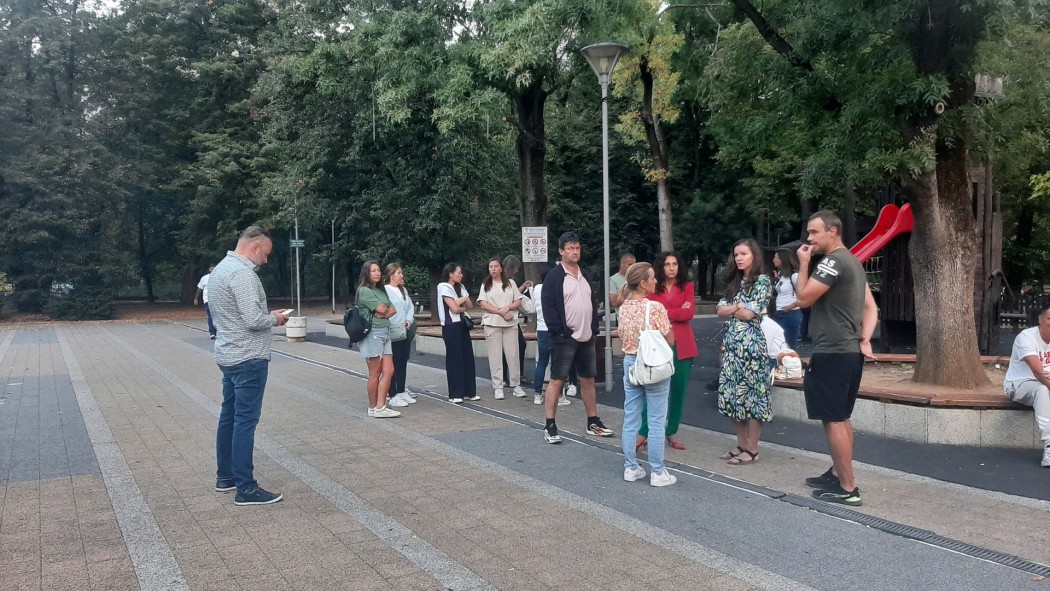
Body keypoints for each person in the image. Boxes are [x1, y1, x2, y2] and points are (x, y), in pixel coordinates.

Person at [795, 210, 878, 507]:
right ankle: (836, 473)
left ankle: (848, 487)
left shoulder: (832, 262)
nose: (809, 239)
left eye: (814, 232)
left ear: (833, 231)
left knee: (833, 420)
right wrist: (864, 337)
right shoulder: (853, 262)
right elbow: (871, 308)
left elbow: (803, 298)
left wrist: (803, 264)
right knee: (841, 417)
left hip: (832, 350)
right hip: (849, 351)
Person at [209, 226, 289, 506]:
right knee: (245, 421)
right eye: (265, 254)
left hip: (229, 354)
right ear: (255, 247)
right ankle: (246, 488)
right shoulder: (243, 274)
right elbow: (254, 320)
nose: (266, 260)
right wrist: (275, 319)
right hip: (249, 358)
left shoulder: (220, 269)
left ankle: (226, 476)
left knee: (229, 417)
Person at [539, 232, 614, 443]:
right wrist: (561, 331)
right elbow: (548, 307)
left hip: (586, 335)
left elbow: (592, 302)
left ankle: (593, 421)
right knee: (557, 380)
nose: (574, 252)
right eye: (570, 248)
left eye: (577, 248)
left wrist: (593, 327)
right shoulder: (554, 277)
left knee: (588, 379)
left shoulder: (585, 274)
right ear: (561, 251)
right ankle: (550, 425)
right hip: (564, 337)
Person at [618, 263, 677, 486]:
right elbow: (669, 338)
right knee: (656, 420)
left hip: (630, 363)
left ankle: (630, 467)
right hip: (652, 365)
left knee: (630, 417)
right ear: (643, 283)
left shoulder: (624, 307)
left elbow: (622, 335)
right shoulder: (655, 307)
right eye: (652, 278)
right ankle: (658, 472)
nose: (655, 281)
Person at [715, 239, 773, 466]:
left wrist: (736, 308)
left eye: (744, 254)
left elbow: (750, 314)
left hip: (751, 348)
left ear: (754, 256)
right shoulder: (734, 282)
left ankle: (752, 448)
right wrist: (738, 307)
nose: (739, 258)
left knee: (753, 397)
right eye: (736, 254)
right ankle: (741, 444)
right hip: (731, 346)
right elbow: (719, 310)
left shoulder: (762, 281)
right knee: (732, 396)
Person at [637, 251, 696, 452]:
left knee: (679, 390)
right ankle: (644, 432)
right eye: (667, 264)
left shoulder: (687, 286)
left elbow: (689, 313)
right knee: (654, 387)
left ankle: (671, 431)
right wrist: (676, 311)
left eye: (675, 264)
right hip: (659, 343)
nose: (671, 268)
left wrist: (663, 312)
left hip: (684, 345)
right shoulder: (654, 286)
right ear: (661, 267)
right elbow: (650, 312)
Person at [1003, 304, 1050, 467]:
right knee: (1041, 390)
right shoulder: (1026, 337)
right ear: (1040, 320)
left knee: (1044, 390)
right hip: (1020, 384)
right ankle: (1049, 445)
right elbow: (1038, 372)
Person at [356, 261, 401, 418]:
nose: (377, 273)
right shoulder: (364, 291)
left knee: (389, 370)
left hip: (386, 331)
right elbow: (382, 309)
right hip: (373, 333)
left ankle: (381, 406)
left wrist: (383, 313)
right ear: (366, 273)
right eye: (373, 271)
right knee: (374, 373)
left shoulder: (381, 291)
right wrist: (383, 311)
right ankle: (373, 406)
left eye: (378, 270)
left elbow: (393, 310)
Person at [478, 257, 526, 400]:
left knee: (513, 355)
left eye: (495, 266)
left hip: (510, 323)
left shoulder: (511, 283)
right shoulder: (486, 284)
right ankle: (498, 386)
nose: (493, 269)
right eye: (490, 266)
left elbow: (517, 301)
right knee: (495, 356)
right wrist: (500, 312)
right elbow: (483, 304)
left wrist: (507, 308)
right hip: (492, 323)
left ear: (501, 268)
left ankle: (516, 384)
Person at [530, 265, 571, 407]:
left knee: (542, 362)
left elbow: (534, 307)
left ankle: (537, 394)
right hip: (555, 329)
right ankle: (558, 396)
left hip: (541, 329)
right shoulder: (556, 287)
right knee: (557, 363)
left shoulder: (536, 289)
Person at [438, 262, 478, 403]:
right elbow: (454, 308)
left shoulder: (461, 287)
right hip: (451, 326)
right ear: (450, 274)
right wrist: (462, 302)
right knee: (455, 359)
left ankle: (469, 391)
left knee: (467, 357)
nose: (461, 275)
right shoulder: (443, 287)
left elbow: (470, 306)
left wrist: (463, 302)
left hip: (462, 324)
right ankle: (455, 393)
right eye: (458, 272)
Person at [384, 263, 417, 407]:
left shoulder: (402, 290)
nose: (401, 275)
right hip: (392, 331)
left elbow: (410, 306)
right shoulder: (385, 290)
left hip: (404, 331)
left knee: (403, 361)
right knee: (393, 363)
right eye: (398, 273)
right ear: (391, 275)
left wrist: (409, 319)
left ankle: (402, 390)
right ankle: (392, 392)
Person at [501, 255, 532, 386]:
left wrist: (523, 287)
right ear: (511, 268)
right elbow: (511, 298)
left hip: (512, 318)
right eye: (515, 268)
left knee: (519, 345)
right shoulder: (502, 281)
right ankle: (506, 376)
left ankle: (513, 375)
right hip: (504, 317)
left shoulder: (510, 281)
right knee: (509, 347)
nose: (517, 271)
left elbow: (514, 295)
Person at [773, 248, 803, 348]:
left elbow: (803, 296)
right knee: (779, 345)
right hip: (779, 312)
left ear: (783, 259)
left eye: (776, 257)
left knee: (788, 346)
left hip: (790, 313)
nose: (773, 259)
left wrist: (790, 307)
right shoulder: (781, 275)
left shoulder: (794, 276)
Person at [194, 265, 216, 339]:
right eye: (212, 268)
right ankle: (212, 332)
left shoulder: (220, 277)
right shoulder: (204, 278)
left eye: (214, 268)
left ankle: (218, 331)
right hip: (207, 300)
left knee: (217, 316)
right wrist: (196, 298)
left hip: (217, 300)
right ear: (209, 269)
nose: (213, 270)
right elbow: (199, 289)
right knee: (210, 315)